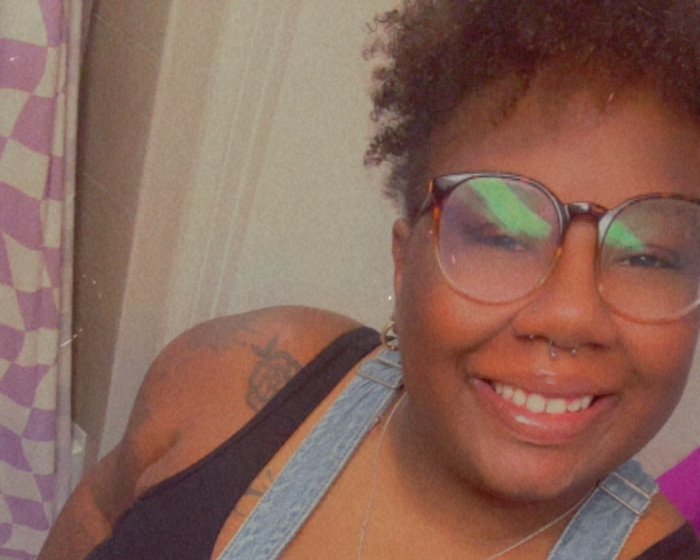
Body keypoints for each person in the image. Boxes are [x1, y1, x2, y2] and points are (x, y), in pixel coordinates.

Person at [40, 1, 700, 558]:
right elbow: (94, 515)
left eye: (649, 258)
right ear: (404, 260)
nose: (570, 316)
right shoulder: (227, 383)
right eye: (502, 236)